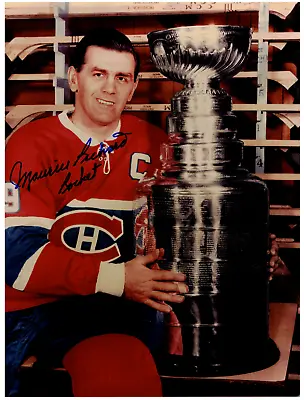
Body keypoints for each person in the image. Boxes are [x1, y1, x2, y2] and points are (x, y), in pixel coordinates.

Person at [5, 28, 285, 397]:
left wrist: (246, 254)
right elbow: (14, 257)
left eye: (121, 77)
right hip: (40, 306)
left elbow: (194, 231)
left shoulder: (157, 142)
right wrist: (118, 280)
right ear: (75, 78)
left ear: (134, 87)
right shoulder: (29, 143)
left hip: (120, 305)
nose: (110, 88)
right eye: (98, 74)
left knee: (134, 375)